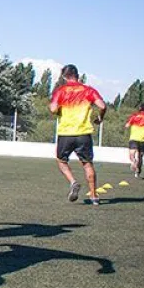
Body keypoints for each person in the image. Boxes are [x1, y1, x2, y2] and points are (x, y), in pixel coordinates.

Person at [50, 65, 107, 205]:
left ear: (64, 76)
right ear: (77, 75)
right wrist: (100, 118)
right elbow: (102, 106)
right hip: (83, 133)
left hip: (66, 133)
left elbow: (53, 109)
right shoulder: (88, 90)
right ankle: (94, 196)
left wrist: (59, 109)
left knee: (61, 161)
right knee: (87, 164)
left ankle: (73, 182)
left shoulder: (61, 91)